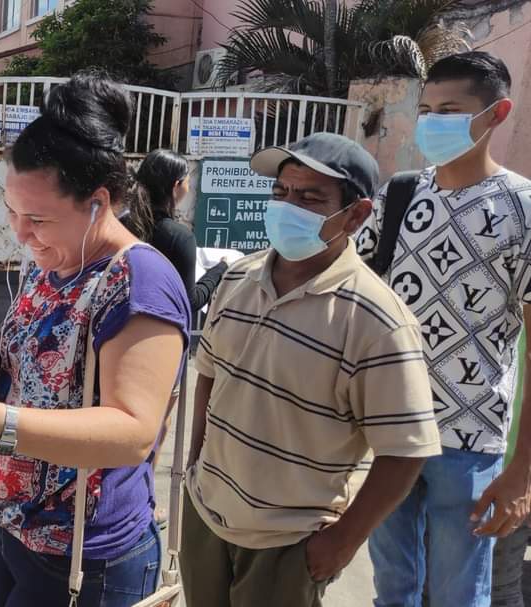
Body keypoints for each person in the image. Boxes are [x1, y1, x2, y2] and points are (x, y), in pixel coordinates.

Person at [0, 73, 190, 607]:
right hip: (16, 528)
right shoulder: (52, 262)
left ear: (98, 203)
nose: (20, 233)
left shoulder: (139, 280)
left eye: (37, 218)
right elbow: (27, 351)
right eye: (12, 212)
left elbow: (133, 431)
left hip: (87, 555)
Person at [184, 132, 442, 607]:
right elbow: (209, 375)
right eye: (281, 192)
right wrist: (193, 469)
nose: (288, 207)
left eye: (309, 198)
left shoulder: (378, 320)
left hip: (289, 544)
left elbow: (406, 450)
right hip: (207, 518)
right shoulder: (238, 279)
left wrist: (342, 542)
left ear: (356, 215)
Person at [355, 51, 531, 607]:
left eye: (450, 111)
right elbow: (353, 295)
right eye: (427, 110)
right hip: (392, 428)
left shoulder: (523, 210)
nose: (432, 123)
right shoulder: (399, 195)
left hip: (470, 440)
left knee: (459, 595)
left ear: (497, 114)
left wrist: (522, 473)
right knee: (393, 589)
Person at [126, 149, 229, 311]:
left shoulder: (121, 225)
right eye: (188, 182)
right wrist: (221, 268)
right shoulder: (179, 238)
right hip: (158, 324)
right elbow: (189, 302)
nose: (189, 186)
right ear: (176, 186)